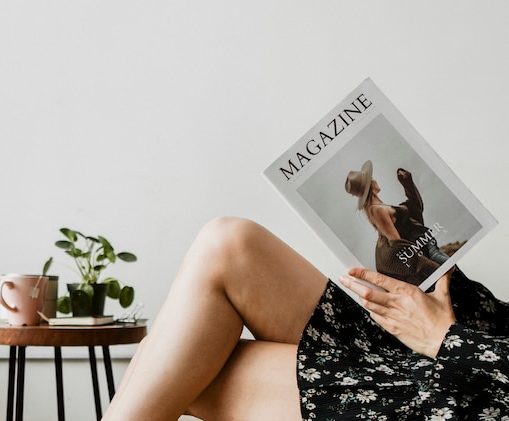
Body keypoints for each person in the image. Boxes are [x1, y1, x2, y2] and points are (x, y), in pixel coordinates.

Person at [102, 217, 509, 420]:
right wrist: (439, 276)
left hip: (476, 390)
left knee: (176, 365)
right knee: (229, 241)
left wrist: (446, 338)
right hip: (473, 344)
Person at [345, 160, 450, 286]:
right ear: (369, 185)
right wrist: (430, 267)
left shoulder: (378, 207)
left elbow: (415, 207)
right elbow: (397, 244)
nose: (374, 179)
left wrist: (406, 183)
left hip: (428, 246)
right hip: (427, 252)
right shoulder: (377, 210)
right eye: (371, 178)